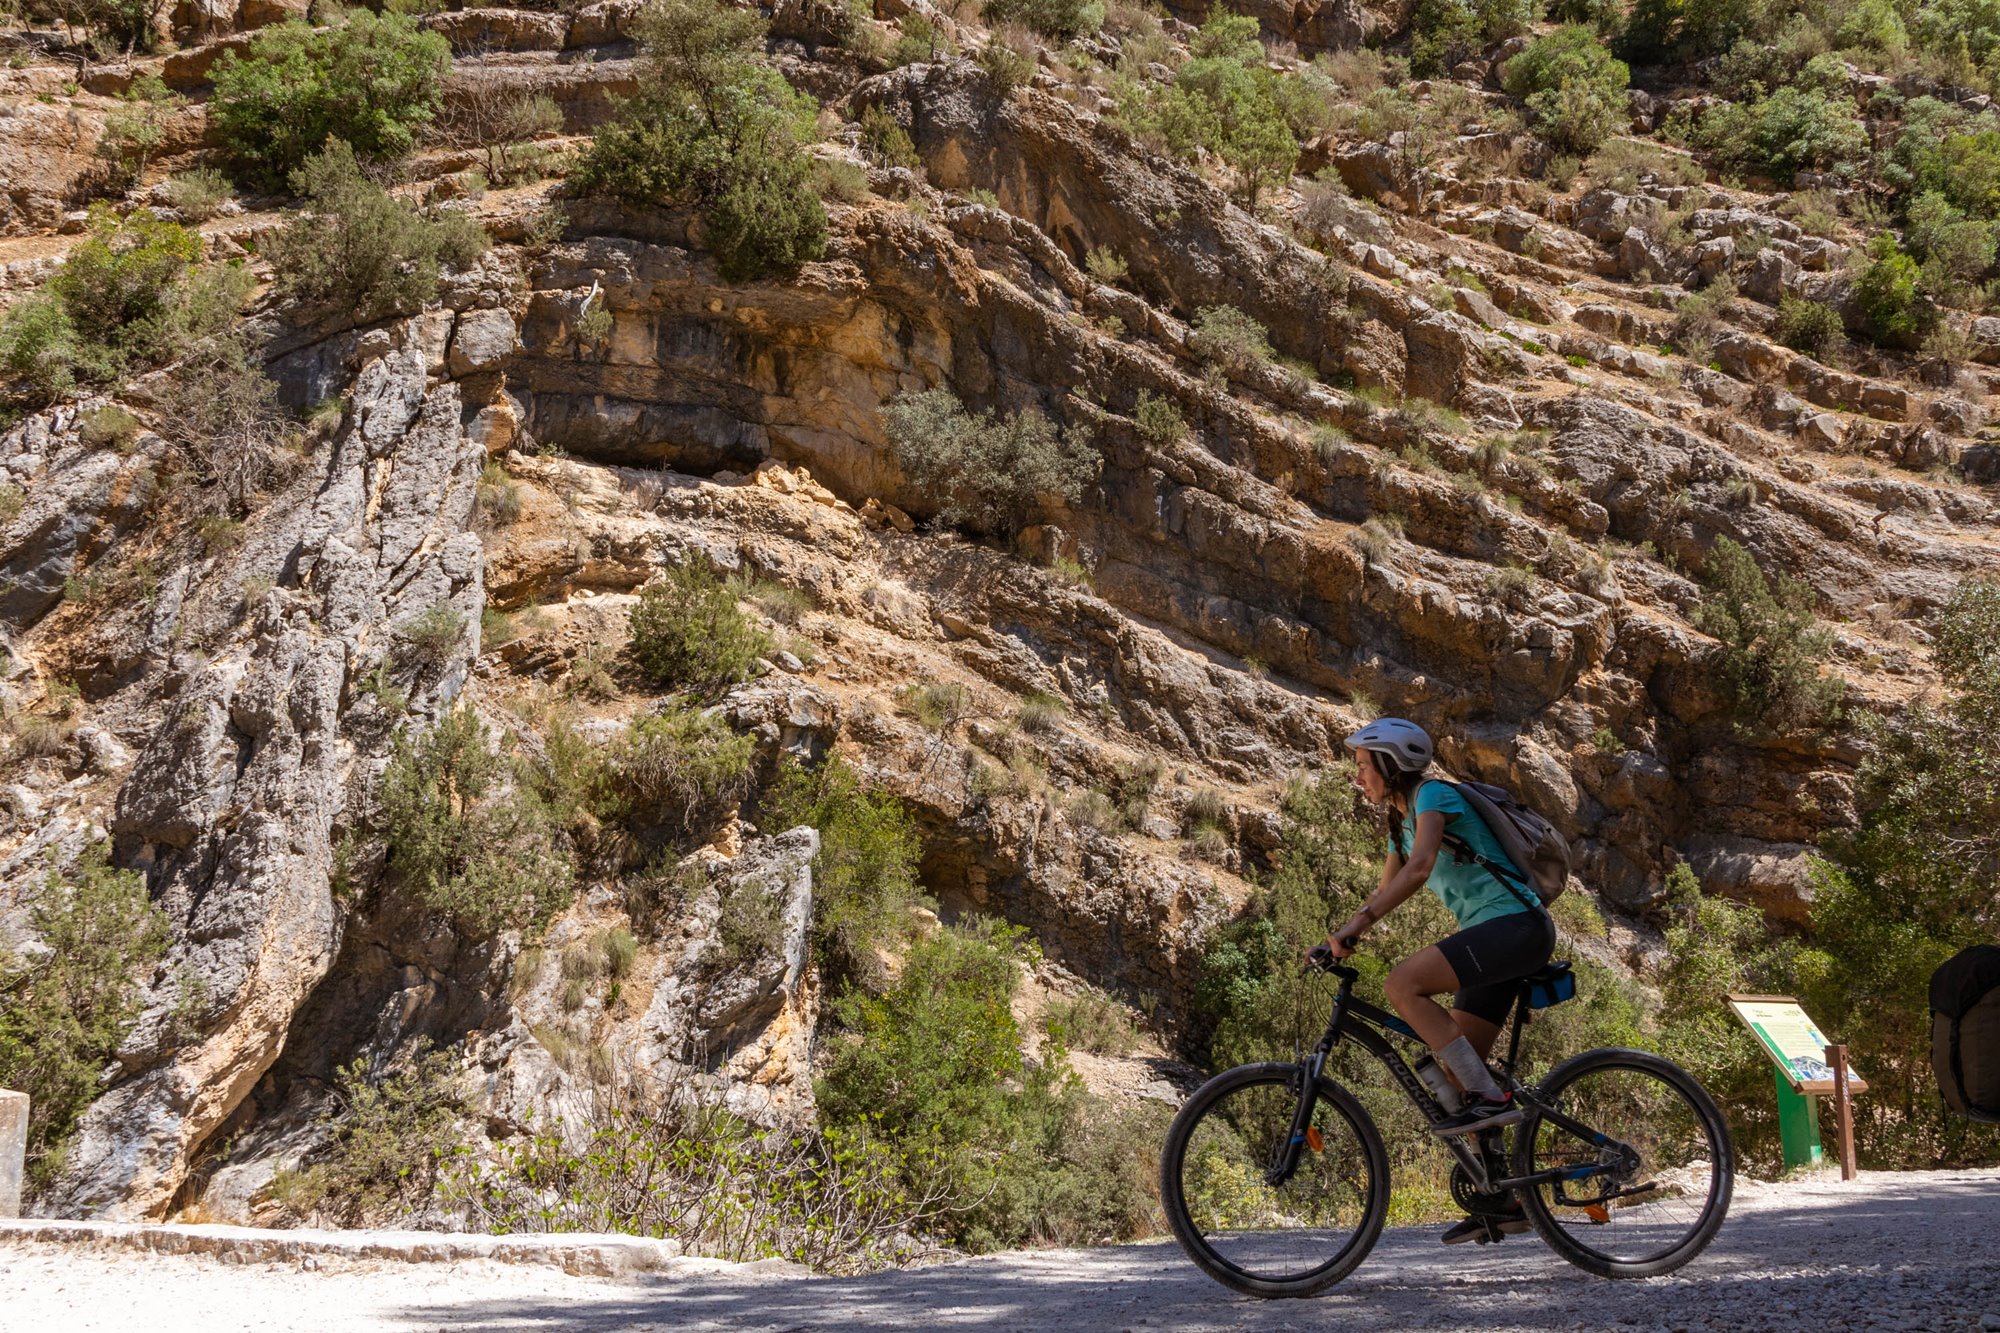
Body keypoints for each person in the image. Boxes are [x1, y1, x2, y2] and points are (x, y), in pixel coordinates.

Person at [1321, 717, 1556, 1245]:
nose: (1357, 776)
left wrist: (1353, 928)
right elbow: (1384, 892)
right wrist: (1339, 937)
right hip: (1495, 936)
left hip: (1517, 927)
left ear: (1390, 763)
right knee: (1457, 1079)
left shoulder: (1432, 796)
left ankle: (1491, 1101)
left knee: (1403, 986)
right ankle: (1503, 1199)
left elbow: (1421, 868)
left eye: (1362, 765)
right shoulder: (1397, 823)